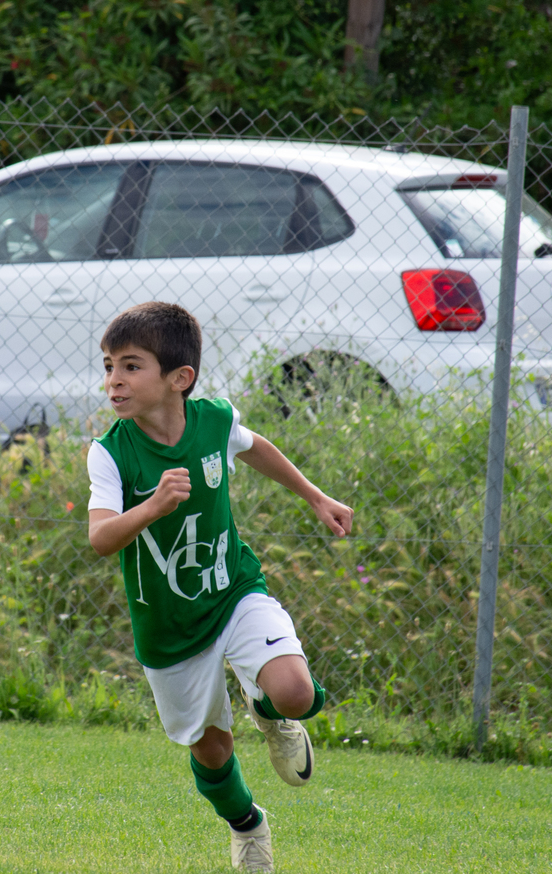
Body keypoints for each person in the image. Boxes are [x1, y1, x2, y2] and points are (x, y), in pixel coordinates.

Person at [85, 302, 354, 873]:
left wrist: (315, 496)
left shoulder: (213, 420)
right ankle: (247, 824)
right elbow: (101, 538)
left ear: (179, 378)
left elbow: (254, 447)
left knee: (296, 692)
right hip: (167, 628)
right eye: (108, 366)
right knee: (212, 751)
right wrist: (152, 506)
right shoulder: (110, 452)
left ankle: (271, 710)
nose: (113, 380)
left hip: (233, 590)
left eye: (130, 366)